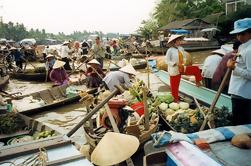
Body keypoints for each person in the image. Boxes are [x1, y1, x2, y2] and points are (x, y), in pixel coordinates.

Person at [227, 18, 251, 125]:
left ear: (250, 33)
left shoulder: (249, 50)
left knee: (241, 126)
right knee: (238, 123)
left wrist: (234, 68)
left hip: (243, 95)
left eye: (242, 34)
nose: (239, 37)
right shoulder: (242, 47)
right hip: (238, 92)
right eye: (237, 34)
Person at [165, 34, 202, 102]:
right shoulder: (170, 50)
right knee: (174, 87)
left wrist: (183, 62)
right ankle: (175, 99)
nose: (180, 41)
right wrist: (175, 63)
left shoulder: (181, 48)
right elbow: (167, 61)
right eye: (178, 40)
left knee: (196, 69)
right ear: (174, 42)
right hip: (174, 70)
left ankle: (197, 82)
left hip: (182, 68)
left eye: (180, 40)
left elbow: (184, 57)